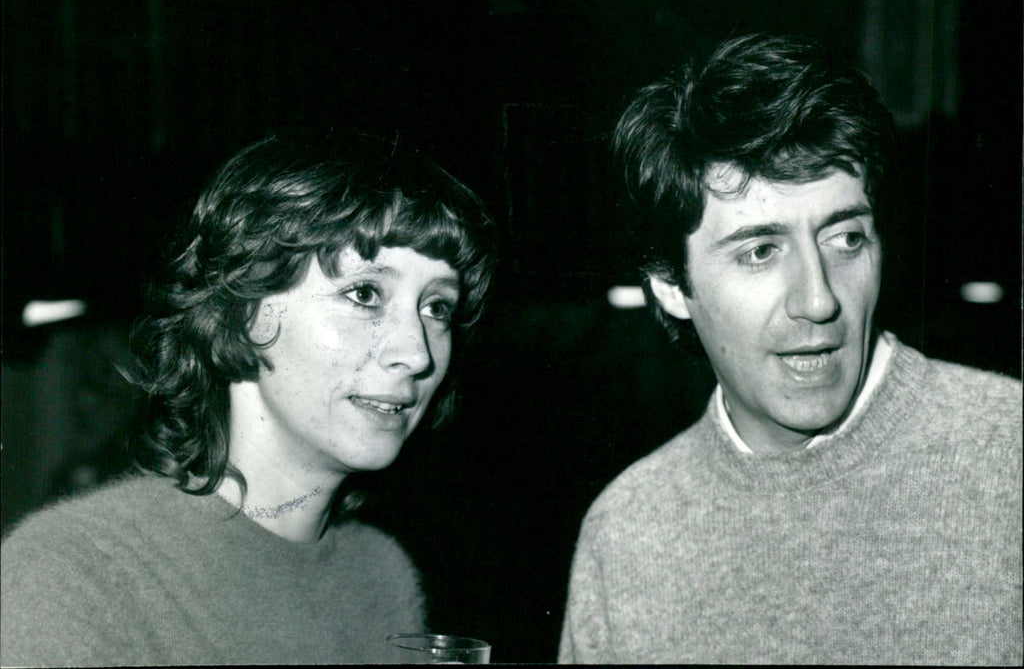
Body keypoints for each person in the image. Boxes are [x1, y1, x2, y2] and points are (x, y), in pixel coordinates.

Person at [559, 34, 1022, 665]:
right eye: (760, 251)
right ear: (670, 284)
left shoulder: (1007, 455)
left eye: (846, 238)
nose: (818, 299)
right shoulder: (627, 534)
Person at [1, 131, 494, 666]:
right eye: (365, 293)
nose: (417, 354)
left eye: (437, 308)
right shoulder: (76, 572)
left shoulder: (382, 575)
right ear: (241, 310)